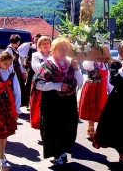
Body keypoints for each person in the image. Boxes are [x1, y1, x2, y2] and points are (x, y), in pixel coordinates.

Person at [35, 37, 83, 167]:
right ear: (54, 50)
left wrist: (76, 69)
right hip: (52, 103)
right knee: (53, 128)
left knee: (68, 127)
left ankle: (62, 150)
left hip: (68, 102)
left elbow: (80, 82)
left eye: (66, 49)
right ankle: (56, 154)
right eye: (61, 49)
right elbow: (39, 84)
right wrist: (56, 86)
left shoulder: (70, 63)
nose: (64, 51)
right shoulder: (47, 64)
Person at [78, 61, 113, 138]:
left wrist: (110, 90)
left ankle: (94, 128)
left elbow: (107, 77)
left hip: (101, 88)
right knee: (91, 108)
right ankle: (91, 128)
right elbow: (87, 66)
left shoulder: (104, 64)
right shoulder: (90, 62)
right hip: (92, 88)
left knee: (99, 109)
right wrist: (93, 55)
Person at [29, 36, 51, 129]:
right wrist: (50, 67)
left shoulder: (54, 54)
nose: (46, 45)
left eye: (47, 43)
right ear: (39, 45)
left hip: (51, 82)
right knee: (39, 104)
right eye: (43, 43)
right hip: (40, 81)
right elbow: (36, 68)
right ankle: (39, 124)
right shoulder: (36, 55)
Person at [18, 33, 42, 108]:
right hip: (31, 68)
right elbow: (27, 57)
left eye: (37, 39)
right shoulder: (31, 47)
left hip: (40, 69)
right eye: (35, 39)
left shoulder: (42, 48)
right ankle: (28, 101)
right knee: (28, 84)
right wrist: (26, 67)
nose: (35, 40)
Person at [6, 34, 28, 107]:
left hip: (17, 69)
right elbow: (10, 62)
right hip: (13, 70)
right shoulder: (9, 49)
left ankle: (18, 103)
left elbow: (18, 61)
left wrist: (22, 71)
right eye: (18, 42)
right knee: (14, 87)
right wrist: (11, 72)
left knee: (19, 87)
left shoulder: (15, 49)